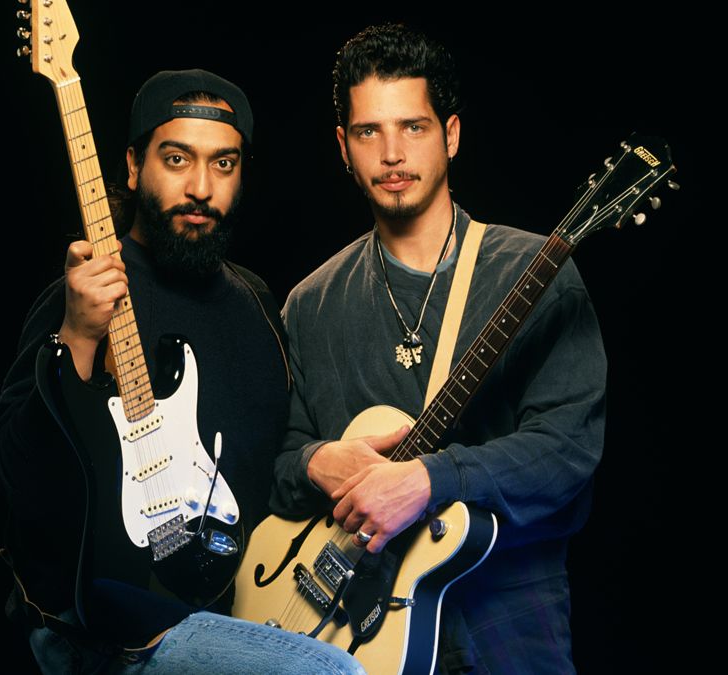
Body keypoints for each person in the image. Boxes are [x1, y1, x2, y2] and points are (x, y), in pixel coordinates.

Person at [0, 69, 365, 674]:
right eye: (177, 158)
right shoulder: (82, 298)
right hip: (104, 630)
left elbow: (272, 462)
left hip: (224, 607)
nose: (200, 187)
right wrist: (77, 336)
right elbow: (16, 478)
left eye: (223, 164)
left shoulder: (256, 303)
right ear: (134, 168)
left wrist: (325, 464)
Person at [270, 24, 607, 674]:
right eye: (369, 131)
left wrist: (429, 478)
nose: (392, 153)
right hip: (353, 625)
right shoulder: (309, 302)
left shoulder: (535, 269)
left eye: (413, 127)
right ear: (344, 145)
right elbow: (276, 459)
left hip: (509, 615)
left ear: (450, 134)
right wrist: (317, 461)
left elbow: (568, 448)